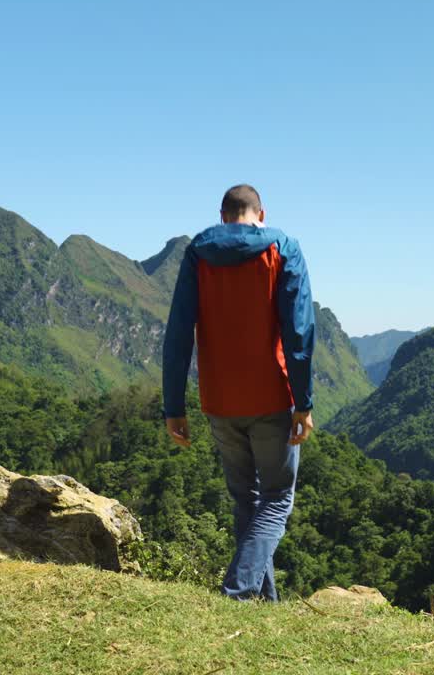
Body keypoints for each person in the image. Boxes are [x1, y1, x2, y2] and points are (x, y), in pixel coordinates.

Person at [162, 184, 315, 601]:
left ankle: (264, 604)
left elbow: (178, 334)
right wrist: (304, 402)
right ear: (260, 213)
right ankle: (238, 593)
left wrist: (173, 406)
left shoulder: (198, 253)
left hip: (220, 401)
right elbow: (299, 332)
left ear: (223, 214)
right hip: (271, 397)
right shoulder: (283, 247)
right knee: (278, 499)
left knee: (245, 500)